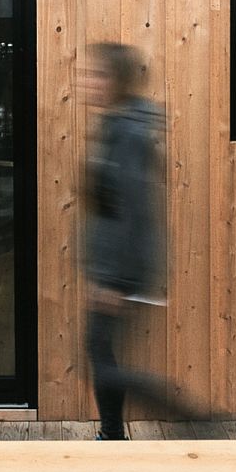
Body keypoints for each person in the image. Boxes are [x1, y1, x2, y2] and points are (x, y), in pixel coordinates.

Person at [80, 42, 180, 440]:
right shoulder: (115, 126)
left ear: (117, 82)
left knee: (99, 354)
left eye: (98, 74)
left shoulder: (128, 134)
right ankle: (111, 434)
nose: (88, 81)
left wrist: (111, 278)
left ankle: (182, 411)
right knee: (98, 350)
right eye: (87, 73)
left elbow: (134, 209)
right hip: (111, 265)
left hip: (119, 268)